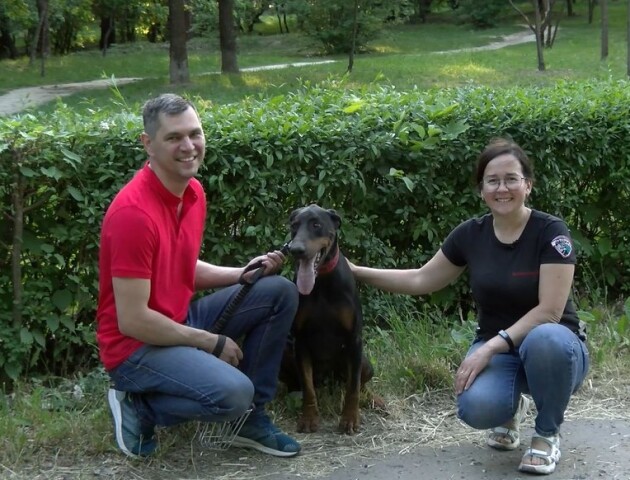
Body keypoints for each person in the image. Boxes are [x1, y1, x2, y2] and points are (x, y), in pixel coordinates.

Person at [349, 138, 589, 475]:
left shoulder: (550, 232)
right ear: (481, 190)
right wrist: (356, 272)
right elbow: (421, 279)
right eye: (492, 181)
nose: (501, 188)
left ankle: (547, 434)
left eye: (511, 179)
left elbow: (550, 311)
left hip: (556, 347)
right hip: (503, 351)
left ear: (528, 185)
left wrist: (488, 347)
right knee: (476, 408)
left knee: (545, 339)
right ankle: (509, 408)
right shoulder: (470, 235)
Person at [96, 93, 301, 458]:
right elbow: (133, 320)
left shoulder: (191, 192)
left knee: (278, 291)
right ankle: (139, 406)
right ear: (148, 145)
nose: (188, 146)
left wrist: (242, 273)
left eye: (195, 133)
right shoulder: (133, 214)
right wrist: (209, 341)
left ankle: (250, 421)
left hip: (177, 321)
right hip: (135, 348)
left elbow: (180, 266)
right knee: (234, 392)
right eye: (174, 137)